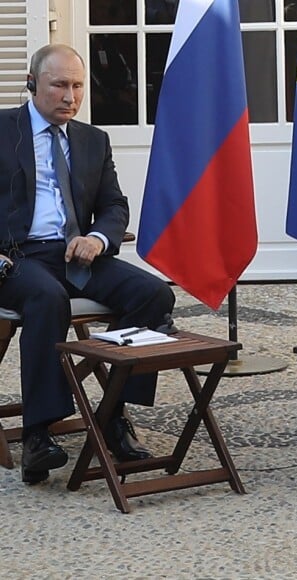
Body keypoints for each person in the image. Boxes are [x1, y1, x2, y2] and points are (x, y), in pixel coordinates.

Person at [0, 44, 176, 484]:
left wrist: (97, 238)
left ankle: (113, 413)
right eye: (59, 85)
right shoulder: (3, 130)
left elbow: (115, 204)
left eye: (77, 86)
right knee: (47, 297)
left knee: (154, 294)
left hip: (75, 253)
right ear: (32, 84)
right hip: (16, 257)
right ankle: (39, 435)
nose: (69, 96)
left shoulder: (93, 139)